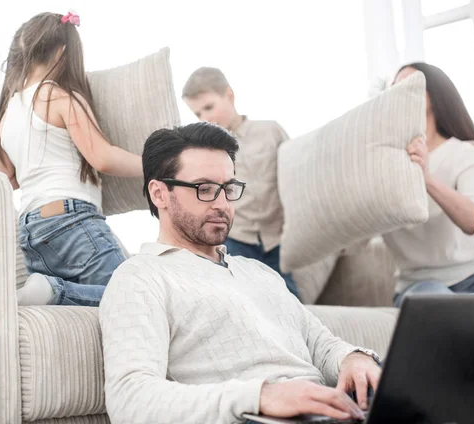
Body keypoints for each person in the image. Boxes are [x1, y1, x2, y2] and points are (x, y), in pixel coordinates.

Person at [99, 122, 381, 423]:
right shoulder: (141, 277)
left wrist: (353, 358)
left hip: (330, 413)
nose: (222, 204)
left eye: (228, 188)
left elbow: (320, 344)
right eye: (204, 189)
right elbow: (130, 401)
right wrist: (260, 396)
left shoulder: (259, 272)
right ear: (159, 194)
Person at [384, 62, 474, 417]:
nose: (400, 93)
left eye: (410, 85)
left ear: (433, 95)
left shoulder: (463, 151)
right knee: (443, 313)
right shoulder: (384, 163)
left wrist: (428, 178)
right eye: (394, 87)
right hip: (420, 281)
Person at [0, 12, 142, 306]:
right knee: (132, 299)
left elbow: (0, 178)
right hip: (71, 220)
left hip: (31, 234)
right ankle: (53, 290)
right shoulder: (58, 97)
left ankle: (51, 290)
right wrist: (156, 164)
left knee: (99, 308)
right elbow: (102, 157)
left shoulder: (7, 112)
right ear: (62, 52)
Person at [182, 67, 299, 298]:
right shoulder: (207, 152)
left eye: (209, 107)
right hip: (237, 239)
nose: (205, 118)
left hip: (277, 238)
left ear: (229, 95)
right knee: (244, 300)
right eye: (197, 114)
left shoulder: (270, 131)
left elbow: (295, 177)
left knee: (290, 300)